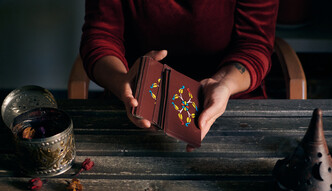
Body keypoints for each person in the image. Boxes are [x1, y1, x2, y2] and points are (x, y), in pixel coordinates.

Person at [80, 0, 279, 151]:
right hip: (133, 100)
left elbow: (255, 43)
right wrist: (119, 80)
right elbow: (101, 36)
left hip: (232, 104)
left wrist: (223, 83)